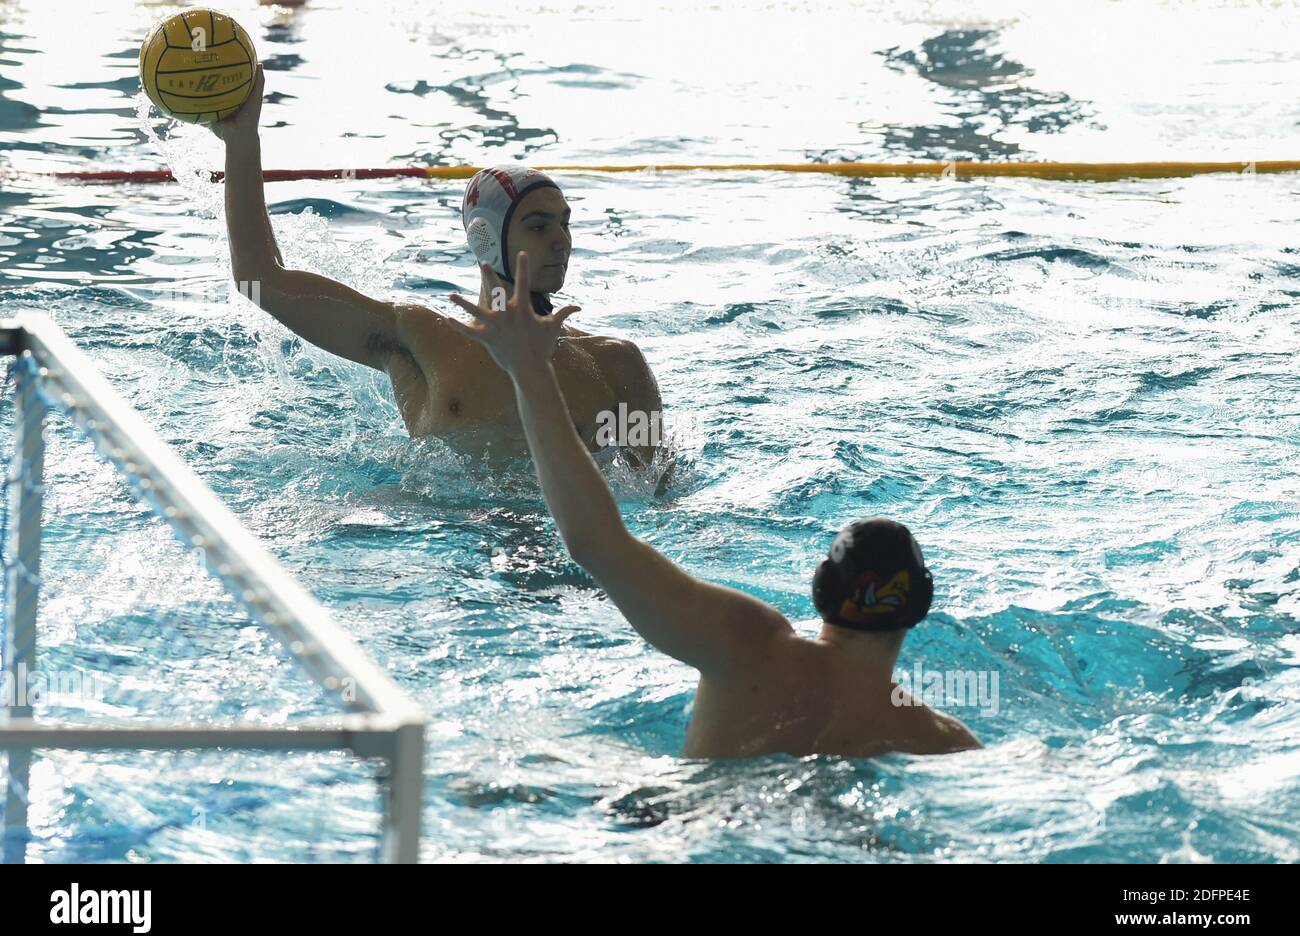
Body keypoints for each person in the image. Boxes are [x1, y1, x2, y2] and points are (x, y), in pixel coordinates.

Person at [447, 252, 983, 758]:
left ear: (822, 588)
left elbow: (594, 541)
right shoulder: (940, 741)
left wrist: (529, 372)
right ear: (922, 602)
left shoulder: (750, 645)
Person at [211, 65, 663, 469]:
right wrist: (242, 138)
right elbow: (257, 280)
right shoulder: (421, 339)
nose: (563, 240)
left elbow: (660, 493)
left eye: (565, 224)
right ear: (486, 238)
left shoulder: (616, 363)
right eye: (539, 226)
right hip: (448, 537)